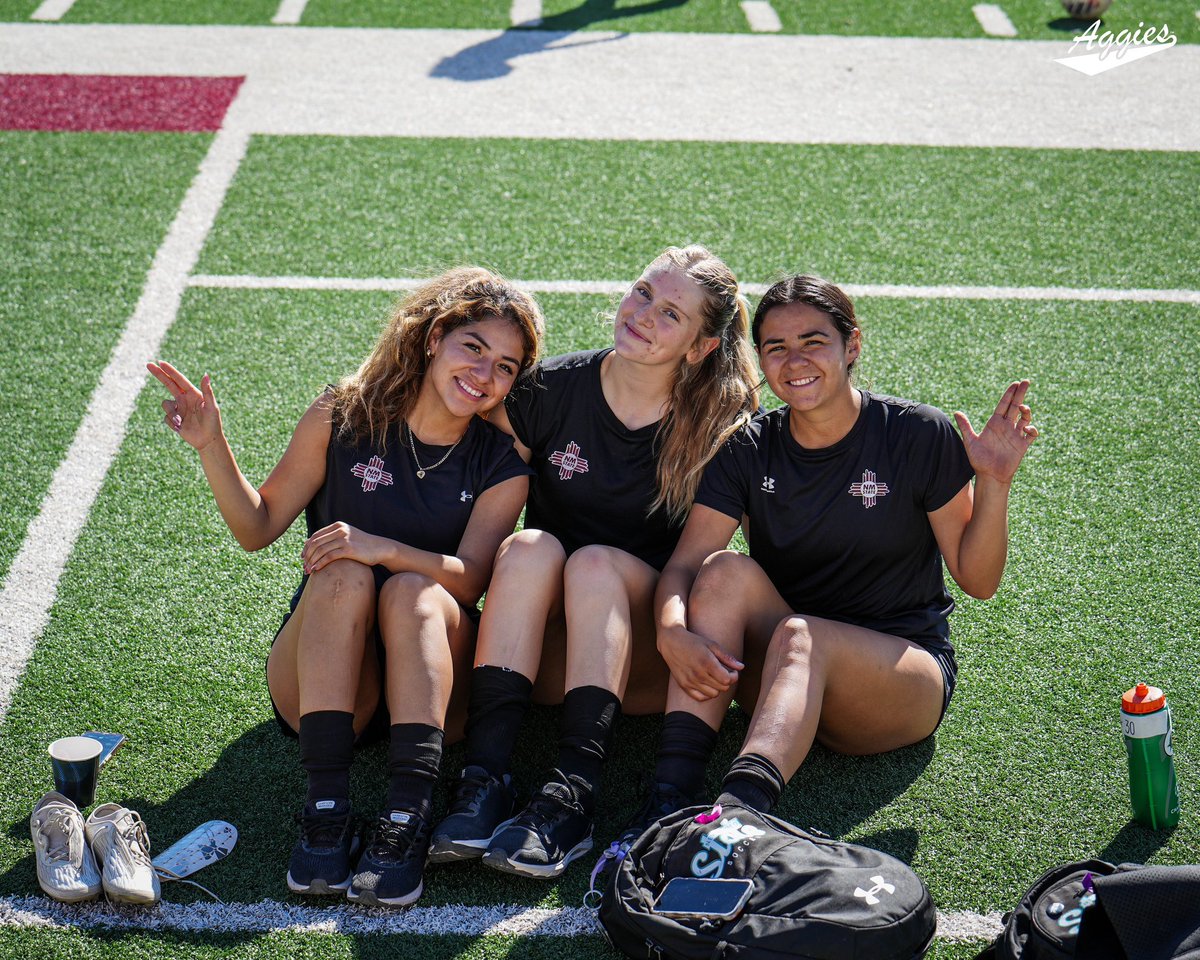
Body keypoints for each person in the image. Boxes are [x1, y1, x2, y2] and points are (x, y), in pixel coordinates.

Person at [147, 267, 544, 907]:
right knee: (343, 570)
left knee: (411, 590)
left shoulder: (500, 464)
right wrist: (211, 443)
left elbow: (470, 581)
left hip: (435, 677)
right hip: (331, 678)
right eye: (473, 347)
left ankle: (405, 820)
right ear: (435, 336)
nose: (484, 374)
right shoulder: (344, 412)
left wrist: (386, 547)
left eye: (505, 366)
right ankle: (325, 814)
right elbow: (258, 526)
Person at [633, 273, 1037, 829]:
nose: (793, 360)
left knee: (803, 635)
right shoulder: (750, 447)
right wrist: (670, 631)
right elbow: (684, 565)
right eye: (775, 347)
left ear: (853, 345)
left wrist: (994, 483)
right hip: (786, 668)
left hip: (899, 678)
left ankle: (738, 821)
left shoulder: (916, 433)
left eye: (813, 341)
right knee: (724, 570)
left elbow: (978, 579)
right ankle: (669, 797)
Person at [428, 245, 760, 878]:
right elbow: (478, 512)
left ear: (699, 347)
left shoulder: (724, 424)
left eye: (671, 314)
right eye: (642, 293)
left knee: (595, 563)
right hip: (547, 644)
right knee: (528, 546)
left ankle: (570, 795)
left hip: (646, 652)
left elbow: (702, 563)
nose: (643, 315)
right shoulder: (550, 389)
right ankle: (485, 779)